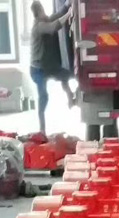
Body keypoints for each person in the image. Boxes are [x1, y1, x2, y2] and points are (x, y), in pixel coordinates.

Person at [30, 0, 75, 134]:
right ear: (38, 13)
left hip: (47, 66)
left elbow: (56, 15)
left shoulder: (44, 21)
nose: (45, 13)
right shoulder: (39, 27)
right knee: (43, 96)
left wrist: (67, 5)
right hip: (38, 70)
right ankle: (42, 129)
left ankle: (70, 96)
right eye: (42, 10)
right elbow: (54, 26)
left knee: (64, 75)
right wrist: (69, 14)